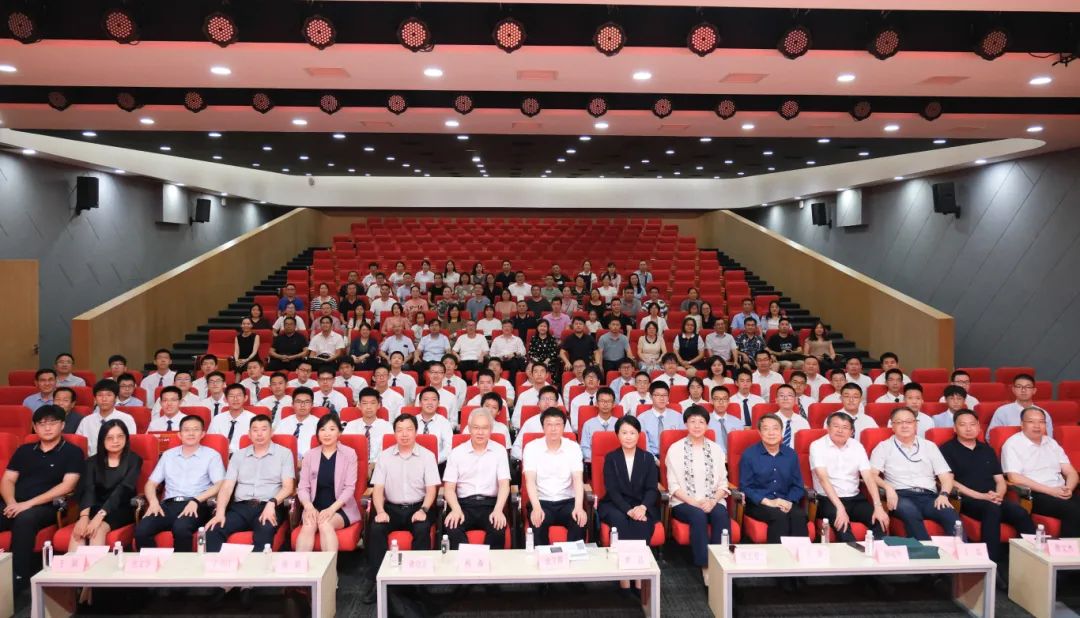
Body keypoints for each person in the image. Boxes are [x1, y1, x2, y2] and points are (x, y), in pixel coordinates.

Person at [941, 409, 1035, 571]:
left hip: (993, 497)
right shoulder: (946, 449)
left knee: (1019, 512)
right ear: (955, 428)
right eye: (963, 425)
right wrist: (981, 496)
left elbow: (1000, 480)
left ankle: (1032, 560)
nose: (968, 428)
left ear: (979, 427)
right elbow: (950, 481)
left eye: (972, 424)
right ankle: (992, 564)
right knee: (992, 510)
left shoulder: (987, 449)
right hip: (968, 499)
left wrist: (999, 494)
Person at [0, 405, 83, 589]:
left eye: (52, 422)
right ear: (35, 427)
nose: (47, 427)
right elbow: (8, 480)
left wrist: (27, 504)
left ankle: (18, 579)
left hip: (46, 506)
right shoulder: (24, 450)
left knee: (25, 519)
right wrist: (12, 502)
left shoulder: (73, 452)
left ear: (62, 425)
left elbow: (67, 486)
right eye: (42, 423)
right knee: (17, 514)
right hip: (14, 503)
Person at [205, 415, 295, 553]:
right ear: (249, 434)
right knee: (213, 530)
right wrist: (220, 513)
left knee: (265, 530)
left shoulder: (284, 454)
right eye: (255, 430)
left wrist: (272, 503)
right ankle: (218, 567)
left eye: (264, 429)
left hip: (268, 506)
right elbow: (227, 487)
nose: (259, 434)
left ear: (271, 432)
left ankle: (256, 567)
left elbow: (288, 487)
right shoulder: (238, 455)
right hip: (240, 508)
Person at [136, 414, 224, 553]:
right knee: (142, 530)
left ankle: (181, 566)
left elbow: (220, 484)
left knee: (181, 528)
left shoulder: (211, 455)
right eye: (186, 430)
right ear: (179, 434)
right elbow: (151, 484)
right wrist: (153, 502)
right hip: (168, 505)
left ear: (202, 434)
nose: (191, 433)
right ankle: (154, 563)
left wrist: (196, 500)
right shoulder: (168, 455)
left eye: (195, 429)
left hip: (196, 505)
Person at [869, 407, 960, 540]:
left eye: (909, 421)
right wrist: (888, 487)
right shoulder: (883, 447)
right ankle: (925, 550)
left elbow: (945, 476)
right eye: (899, 422)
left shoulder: (929, 446)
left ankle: (962, 551)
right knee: (910, 513)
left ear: (916, 424)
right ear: (892, 426)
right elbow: (871, 474)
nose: (904, 425)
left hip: (929, 497)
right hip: (900, 496)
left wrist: (944, 494)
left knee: (950, 515)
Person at [667, 406, 731, 582]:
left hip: (713, 500)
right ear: (685, 424)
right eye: (692, 421)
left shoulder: (716, 449)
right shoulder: (675, 449)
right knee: (698, 515)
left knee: (720, 514)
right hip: (684, 502)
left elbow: (723, 483)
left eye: (701, 422)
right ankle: (706, 566)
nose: (697, 426)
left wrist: (713, 501)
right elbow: (673, 486)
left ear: (707, 425)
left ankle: (721, 562)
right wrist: (694, 502)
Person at [810, 412, 889, 542]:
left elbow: (868, 477)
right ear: (828, 428)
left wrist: (878, 506)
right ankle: (853, 554)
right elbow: (823, 479)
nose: (840, 430)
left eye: (845, 427)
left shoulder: (857, 446)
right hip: (828, 500)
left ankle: (879, 553)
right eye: (836, 426)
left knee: (879, 522)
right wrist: (840, 508)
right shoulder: (817, 446)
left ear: (851, 432)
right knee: (843, 527)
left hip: (855, 499)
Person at [1001, 407, 1080, 537]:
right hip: (1036, 494)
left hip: (1061, 491)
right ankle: (1069, 549)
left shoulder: (1051, 443)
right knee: (1072, 510)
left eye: (1041, 422)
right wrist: (1051, 491)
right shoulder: (1012, 444)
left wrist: (1069, 489)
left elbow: (1070, 471)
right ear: (1022, 424)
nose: (1037, 426)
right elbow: (1014, 477)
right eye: (1031, 421)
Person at [69, 420, 142, 554]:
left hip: (121, 507)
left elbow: (123, 489)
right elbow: (88, 489)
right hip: (94, 506)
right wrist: (84, 517)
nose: (115, 441)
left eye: (120, 436)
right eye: (109, 437)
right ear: (102, 440)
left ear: (126, 438)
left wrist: (99, 516)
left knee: (97, 530)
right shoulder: (91, 462)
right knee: (78, 532)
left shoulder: (134, 460)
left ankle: (95, 567)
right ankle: (73, 567)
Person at [443, 407, 511, 549]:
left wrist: (498, 510)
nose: (480, 432)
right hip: (463, 505)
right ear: (469, 429)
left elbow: (504, 485)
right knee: (452, 526)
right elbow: (449, 488)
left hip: (490, 505)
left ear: (491, 429)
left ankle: (489, 562)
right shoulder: (457, 452)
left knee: (498, 528)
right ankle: (466, 561)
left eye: (485, 428)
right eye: (476, 428)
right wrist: (455, 509)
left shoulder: (499, 451)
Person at [295, 415, 361, 555]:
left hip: (339, 508)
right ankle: (300, 567)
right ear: (318, 433)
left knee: (325, 523)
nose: (327, 433)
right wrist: (308, 507)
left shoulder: (349, 454)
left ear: (339, 433)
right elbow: (303, 487)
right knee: (308, 525)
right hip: (314, 506)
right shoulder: (310, 455)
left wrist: (331, 509)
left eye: (332, 429)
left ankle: (330, 569)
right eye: (322, 429)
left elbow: (349, 488)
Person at [740, 414, 809, 546]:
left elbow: (798, 485)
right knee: (779, 517)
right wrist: (769, 502)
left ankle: (800, 556)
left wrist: (788, 501)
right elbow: (745, 487)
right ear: (759, 433)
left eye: (775, 428)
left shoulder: (791, 454)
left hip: (785, 500)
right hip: (759, 504)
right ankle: (777, 557)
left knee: (799, 515)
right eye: (766, 429)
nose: (771, 433)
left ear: (781, 431)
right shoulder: (749, 455)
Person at [523, 408, 588, 545]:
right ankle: (542, 557)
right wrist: (536, 507)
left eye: (557, 424)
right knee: (538, 523)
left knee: (579, 521)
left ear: (564, 427)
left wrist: (578, 507)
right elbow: (530, 480)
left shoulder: (573, 447)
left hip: (567, 501)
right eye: (549, 424)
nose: (553, 429)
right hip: (541, 501)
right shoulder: (531, 447)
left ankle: (573, 557)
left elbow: (578, 479)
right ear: (543, 427)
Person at [77, 380, 137, 456]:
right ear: (95, 399)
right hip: (91, 461)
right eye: (100, 395)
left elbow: (130, 445)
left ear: (116, 398)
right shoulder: (86, 421)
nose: (104, 399)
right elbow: (79, 445)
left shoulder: (127, 419)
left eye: (109, 395)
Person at [988, 374, 1053, 437]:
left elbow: (1048, 438)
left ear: (1034, 390)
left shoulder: (1043, 413)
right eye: (1019, 386)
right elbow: (991, 436)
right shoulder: (1002, 411)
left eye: (1028, 387)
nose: (1023, 390)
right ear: (1013, 390)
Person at [343, 388, 393, 462]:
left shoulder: (387, 427)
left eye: (372, 403)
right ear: (359, 406)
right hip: (355, 464)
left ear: (379, 405)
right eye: (365, 403)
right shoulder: (350, 426)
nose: (369, 407)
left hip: (380, 465)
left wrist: (375, 464)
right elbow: (344, 451)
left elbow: (389, 452)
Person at [637, 382, 685, 457]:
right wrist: (654, 460)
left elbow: (683, 440)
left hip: (674, 456)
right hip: (651, 457)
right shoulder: (641, 419)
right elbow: (645, 445)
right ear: (651, 396)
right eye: (657, 395)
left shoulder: (678, 417)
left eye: (665, 395)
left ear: (668, 397)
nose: (662, 398)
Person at [207, 384, 255, 454]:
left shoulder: (253, 420)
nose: (235, 399)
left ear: (245, 398)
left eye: (239, 395)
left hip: (244, 456)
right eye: (231, 396)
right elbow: (210, 442)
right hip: (219, 456)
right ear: (225, 399)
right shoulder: (217, 419)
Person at [273, 387, 319, 460]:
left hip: (309, 461)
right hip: (283, 460)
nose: (302, 405)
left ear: (312, 404)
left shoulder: (319, 424)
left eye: (307, 402)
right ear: (292, 404)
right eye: (298, 401)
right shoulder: (283, 423)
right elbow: (274, 444)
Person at [414, 387, 453, 465]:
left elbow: (448, 448)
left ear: (438, 403)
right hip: (414, 463)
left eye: (434, 399)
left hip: (438, 464)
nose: (430, 402)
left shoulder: (444, 422)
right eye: (426, 399)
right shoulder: (411, 421)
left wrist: (433, 461)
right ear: (420, 403)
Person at [708, 386, 744, 454]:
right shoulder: (704, 421)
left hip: (734, 457)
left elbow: (741, 445)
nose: (721, 402)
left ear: (728, 401)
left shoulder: (738, 422)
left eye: (724, 399)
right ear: (711, 401)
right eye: (717, 399)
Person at [773, 384, 810, 449]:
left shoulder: (803, 422)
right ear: (776, 400)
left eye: (789, 395)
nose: (785, 398)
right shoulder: (770, 421)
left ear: (795, 400)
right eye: (781, 395)